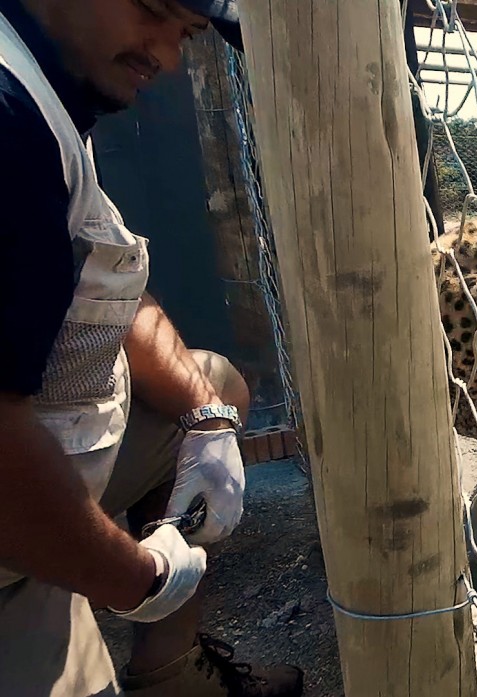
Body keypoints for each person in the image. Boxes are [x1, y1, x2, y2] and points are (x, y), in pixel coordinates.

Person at [0, 0, 304, 694]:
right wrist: (140, 577)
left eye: (187, 32)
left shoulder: (59, 90)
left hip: (47, 467)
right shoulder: (9, 115)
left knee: (215, 382)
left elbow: (107, 289)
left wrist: (207, 416)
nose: (166, 56)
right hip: (12, 515)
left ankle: (173, 676)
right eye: (152, 10)